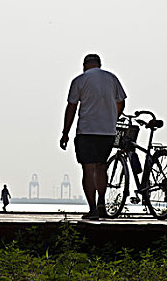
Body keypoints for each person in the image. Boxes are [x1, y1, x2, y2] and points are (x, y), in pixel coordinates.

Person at [60, 54, 126, 220]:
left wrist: (65, 133)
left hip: (87, 131)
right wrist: (113, 118)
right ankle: (102, 203)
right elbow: (121, 101)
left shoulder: (79, 80)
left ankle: (93, 209)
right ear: (99, 64)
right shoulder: (112, 78)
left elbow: (72, 108)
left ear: (85, 65)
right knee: (101, 167)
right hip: (108, 132)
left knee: (88, 169)